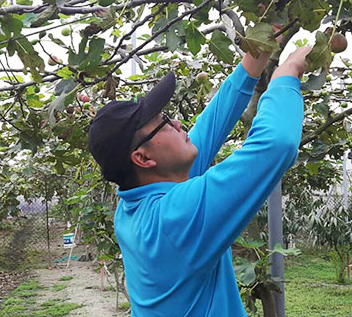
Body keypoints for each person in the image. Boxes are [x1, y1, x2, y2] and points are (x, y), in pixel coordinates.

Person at [87, 46, 311, 316]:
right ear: (143, 158)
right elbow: (276, 145)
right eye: (164, 122)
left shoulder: (135, 203)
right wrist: (287, 74)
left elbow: (213, 121)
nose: (178, 123)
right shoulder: (174, 218)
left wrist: (259, 47)